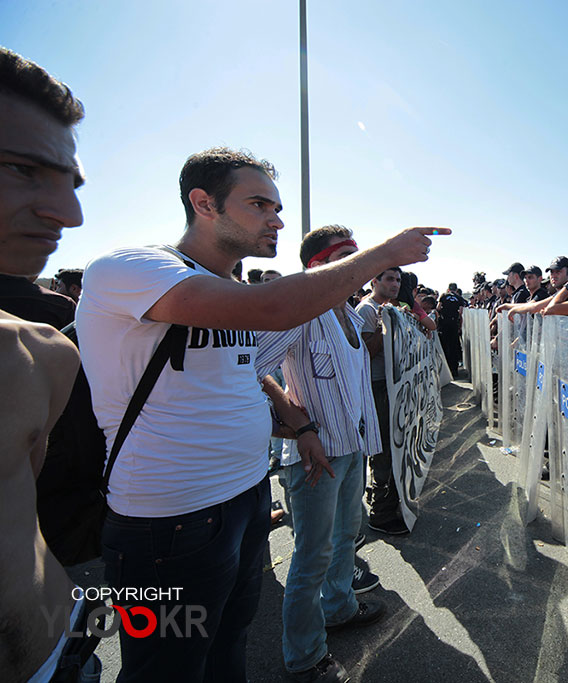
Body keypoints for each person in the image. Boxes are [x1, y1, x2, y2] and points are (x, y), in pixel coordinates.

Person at [76, 146, 446, 682]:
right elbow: (274, 312)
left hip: (245, 500)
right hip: (166, 523)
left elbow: (248, 372)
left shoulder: (227, 291)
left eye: (276, 206)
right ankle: (308, 653)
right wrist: (384, 252)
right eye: (258, 204)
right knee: (165, 666)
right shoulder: (132, 268)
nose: (276, 219)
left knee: (229, 651)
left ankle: (329, 617)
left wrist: (298, 425)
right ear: (203, 203)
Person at [0, 45, 102, 683]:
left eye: (69, 181)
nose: (70, 215)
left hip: (64, 648)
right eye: (19, 168)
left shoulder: (38, 356)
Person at [256, 224, 385, 682]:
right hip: (316, 457)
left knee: (345, 536)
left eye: (357, 256)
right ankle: (305, 656)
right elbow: (255, 369)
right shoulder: (302, 310)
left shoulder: (349, 314)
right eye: (343, 258)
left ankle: (340, 609)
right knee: (310, 555)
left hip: (352, 450)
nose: (355, 267)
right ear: (317, 267)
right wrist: (299, 427)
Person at [355, 268, 409, 535]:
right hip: (377, 387)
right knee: (384, 449)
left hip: (391, 385)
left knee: (392, 445)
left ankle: (381, 499)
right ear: (373, 281)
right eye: (389, 278)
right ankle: (381, 512)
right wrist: (381, 322)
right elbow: (366, 352)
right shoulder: (367, 310)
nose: (395, 284)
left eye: (398, 280)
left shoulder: (392, 308)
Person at [437, 282, 468, 376]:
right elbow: (461, 312)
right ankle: (454, 370)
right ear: (456, 289)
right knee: (454, 346)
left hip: (444, 323)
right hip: (453, 324)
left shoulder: (443, 296)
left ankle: (446, 371)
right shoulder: (459, 298)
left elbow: (438, 308)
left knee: (445, 346)